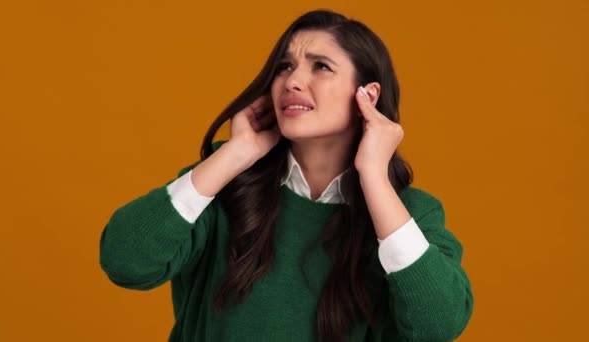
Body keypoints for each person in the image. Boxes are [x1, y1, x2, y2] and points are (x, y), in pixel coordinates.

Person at [99, 9, 473, 342]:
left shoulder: (411, 214)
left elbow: (438, 326)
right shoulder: (223, 185)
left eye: (320, 66)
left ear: (367, 96)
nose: (293, 81)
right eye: (285, 66)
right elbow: (124, 261)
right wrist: (235, 153)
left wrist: (374, 176)